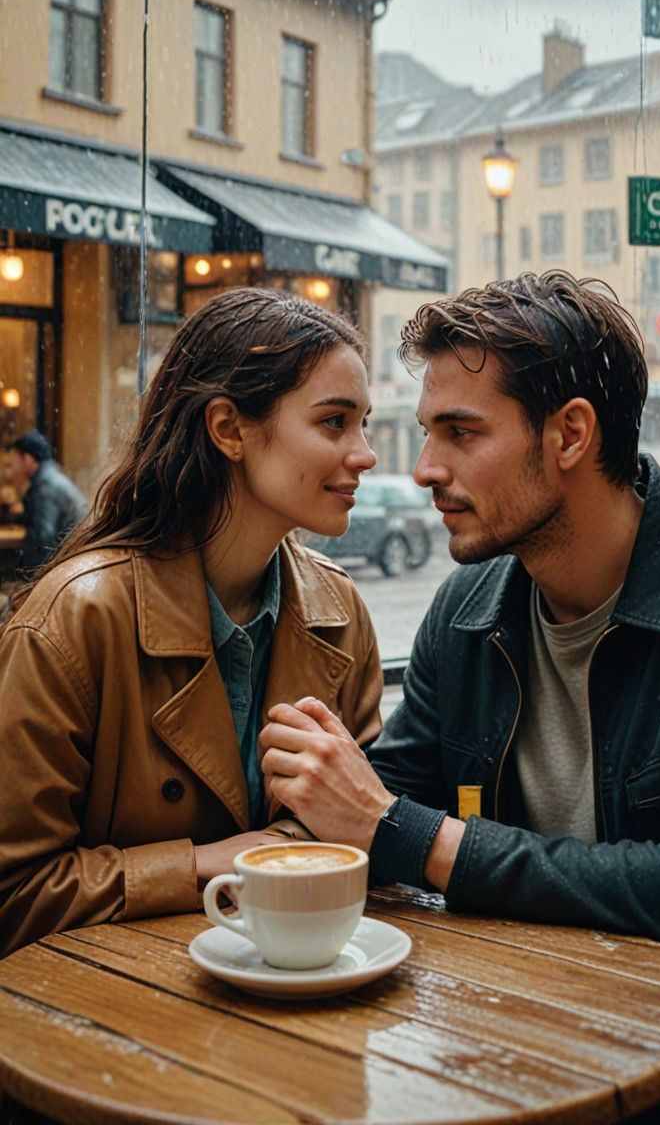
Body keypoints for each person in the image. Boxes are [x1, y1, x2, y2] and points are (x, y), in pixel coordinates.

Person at [259, 272, 660, 1125]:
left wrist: (403, 832)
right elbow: (388, 795)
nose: (423, 470)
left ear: (570, 434)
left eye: (461, 433)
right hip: (508, 1012)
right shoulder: (471, 606)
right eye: (427, 434)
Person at [0, 287, 381, 955]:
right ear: (229, 428)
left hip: (290, 1007)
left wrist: (279, 847)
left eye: (364, 423)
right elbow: (13, 894)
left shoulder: (340, 614)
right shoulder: (73, 622)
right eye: (333, 423)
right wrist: (217, 861)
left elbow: (361, 824)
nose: (366, 452)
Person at [8, 429, 88, 570]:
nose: (12, 465)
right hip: (74, 560)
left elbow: (43, 542)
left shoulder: (46, 486)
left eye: (14, 458)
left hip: (70, 564)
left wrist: (27, 581)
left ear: (27, 458)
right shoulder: (48, 479)